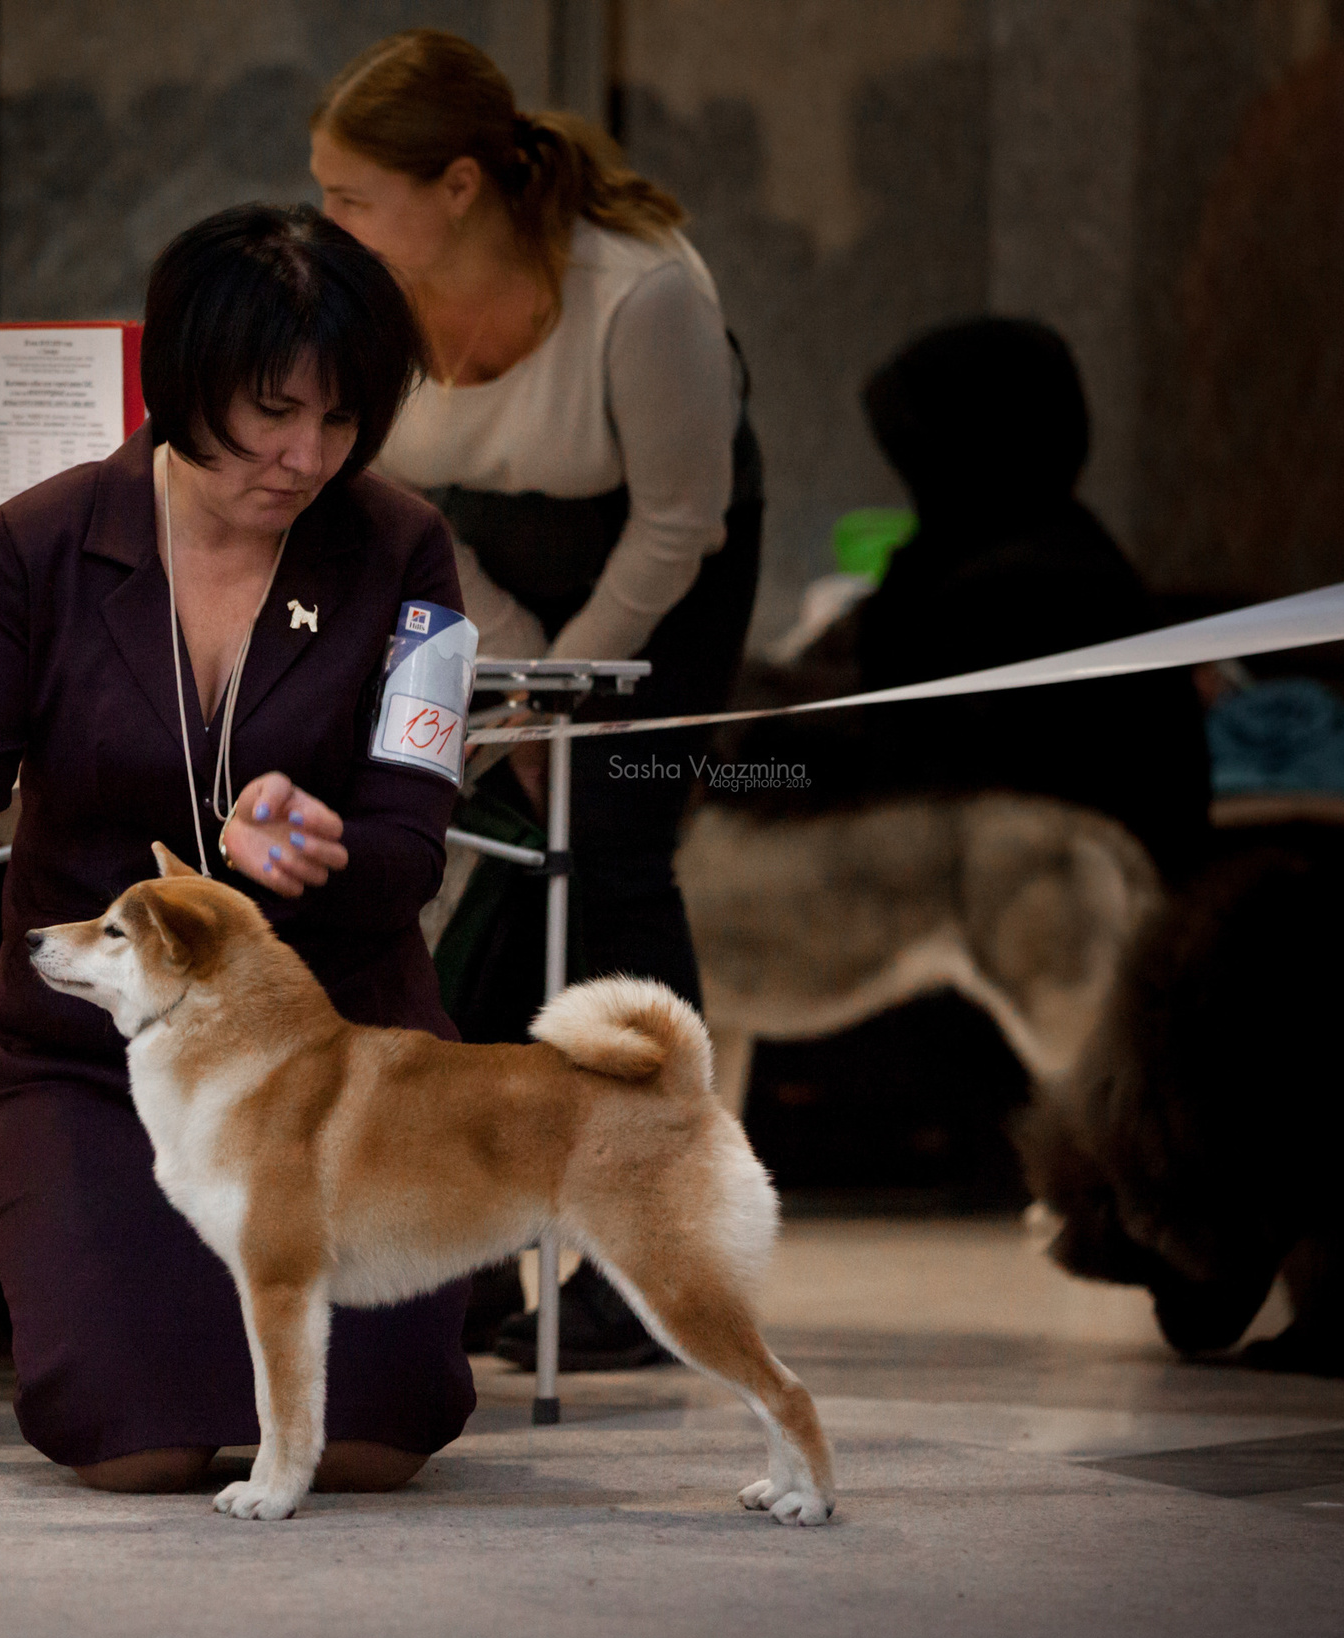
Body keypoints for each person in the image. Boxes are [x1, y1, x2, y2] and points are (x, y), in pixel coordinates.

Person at [0, 205, 476, 1493]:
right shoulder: (41, 542)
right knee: (136, 1443)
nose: (305, 456)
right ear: (183, 384)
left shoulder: (406, 546)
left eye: (341, 420)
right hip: (88, 1061)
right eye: (272, 412)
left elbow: (413, 844)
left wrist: (333, 852)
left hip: (340, 1061)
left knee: (377, 1435)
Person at [310, 28, 762, 1369]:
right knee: (483, 847)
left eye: (350, 197)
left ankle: (662, 1238)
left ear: (457, 186)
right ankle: (474, 1226)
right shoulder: (372, 305)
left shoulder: (642, 293)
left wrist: (569, 708)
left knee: (608, 850)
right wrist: (505, 705)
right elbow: (403, 515)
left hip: (658, 568)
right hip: (473, 579)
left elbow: (682, 523)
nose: (327, 225)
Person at [851, 316, 1211, 881]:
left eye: (920, 454)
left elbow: (925, 807)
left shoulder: (1025, 599)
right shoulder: (1039, 548)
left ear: (972, 449)